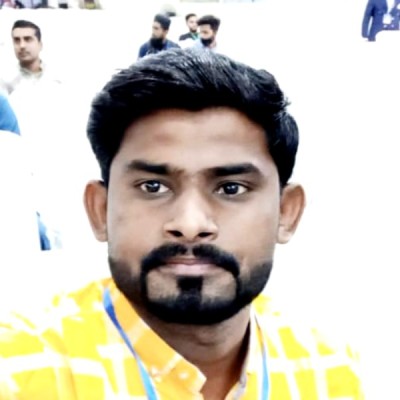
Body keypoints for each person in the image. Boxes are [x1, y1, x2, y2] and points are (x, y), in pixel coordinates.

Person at [0, 48, 364, 399]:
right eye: (153, 186)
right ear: (100, 210)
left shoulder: (329, 371)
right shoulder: (19, 372)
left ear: (286, 212)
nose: (190, 224)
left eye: (231, 188)